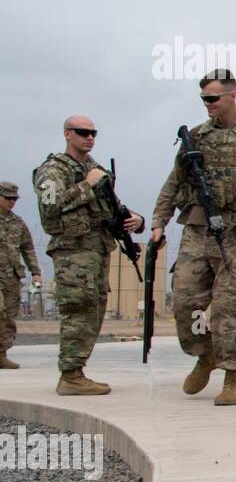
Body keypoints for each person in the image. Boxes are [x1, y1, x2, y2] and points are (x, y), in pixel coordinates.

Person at [151, 69, 236, 406]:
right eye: (203, 100)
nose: (207, 105)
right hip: (198, 231)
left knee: (230, 308)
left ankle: (232, 377)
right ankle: (205, 353)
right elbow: (173, 183)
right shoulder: (195, 138)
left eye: (212, 99)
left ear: (232, 96)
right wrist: (158, 222)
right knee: (185, 302)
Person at [34, 116, 144, 395]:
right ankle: (69, 375)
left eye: (93, 133)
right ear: (67, 134)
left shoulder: (95, 169)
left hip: (96, 249)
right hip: (73, 251)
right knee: (78, 309)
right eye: (83, 132)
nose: (90, 137)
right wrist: (87, 185)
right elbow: (50, 209)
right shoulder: (53, 170)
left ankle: (77, 371)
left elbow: (112, 208)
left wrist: (135, 220)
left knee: (94, 310)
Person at [0, 182, 42, 369]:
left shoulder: (18, 223)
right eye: (7, 198)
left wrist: (36, 272)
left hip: (11, 276)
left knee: (8, 316)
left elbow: (28, 248)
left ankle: (1, 354)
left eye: (14, 199)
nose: (11, 202)